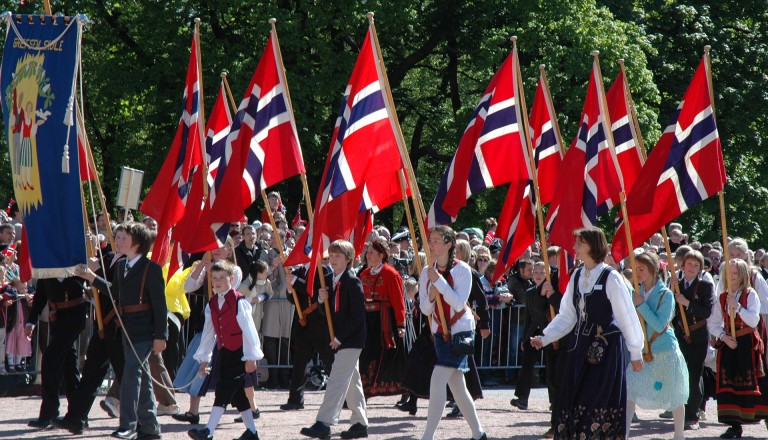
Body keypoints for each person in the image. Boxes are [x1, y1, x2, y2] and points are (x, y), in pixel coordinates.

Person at [531, 227, 644, 440]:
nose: (574, 247)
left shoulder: (611, 278)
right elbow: (567, 316)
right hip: (579, 349)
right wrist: (545, 337)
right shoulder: (576, 275)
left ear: (593, 245)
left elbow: (626, 317)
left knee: (597, 403)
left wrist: (636, 353)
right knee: (575, 402)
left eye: (579, 243)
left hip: (606, 351)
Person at [78, 221, 168, 440]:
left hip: (145, 331)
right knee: (142, 379)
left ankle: (128, 424)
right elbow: (114, 292)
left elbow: (160, 305)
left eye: (123, 238)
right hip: (126, 328)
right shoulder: (120, 266)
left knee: (130, 374)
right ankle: (150, 427)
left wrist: (160, 336)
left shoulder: (151, 268)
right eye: (117, 237)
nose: (117, 241)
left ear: (137, 243)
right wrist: (92, 278)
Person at [419, 225, 486, 440]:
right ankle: (478, 433)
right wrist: (430, 296)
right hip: (440, 331)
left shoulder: (463, 270)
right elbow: (424, 309)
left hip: (459, 331)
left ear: (449, 244)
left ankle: (427, 436)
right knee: (457, 386)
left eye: (437, 240)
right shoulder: (425, 271)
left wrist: (439, 282)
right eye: (430, 240)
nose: (432, 244)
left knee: (438, 379)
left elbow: (458, 304)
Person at [300, 240, 369, 439]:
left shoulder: (352, 280)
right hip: (342, 338)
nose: (333, 259)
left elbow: (357, 317)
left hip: (351, 339)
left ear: (348, 259)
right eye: (331, 256)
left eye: (338, 256)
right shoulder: (332, 280)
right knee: (352, 382)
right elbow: (328, 313)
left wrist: (339, 337)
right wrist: (321, 300)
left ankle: (324, 422)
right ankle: (360, 423)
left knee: (337, 380)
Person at [187, 261, 263, 440]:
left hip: (240, 353)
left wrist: (251, 357)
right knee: (237, 394)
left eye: (222, 278)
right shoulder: (212, 303)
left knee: (223, 389)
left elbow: (250, 331)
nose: (218, 281)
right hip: (224, 352)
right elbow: (208, 333)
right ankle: (252, 432)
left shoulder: (239, 302)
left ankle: (208, 431)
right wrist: (204, 358)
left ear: (231, 279)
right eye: (214, 278)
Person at [626, 252, 689, 440]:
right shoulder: (635, 291)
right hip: (641, 349)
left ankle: (679, 435)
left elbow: (660, 324)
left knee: (675, 392)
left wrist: (640, 305)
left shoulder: (666, 294)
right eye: (636, 269)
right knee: (630, 389)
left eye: (641, 269)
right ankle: (625, 433)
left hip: (665, 349)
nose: (637, 273)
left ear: (653, 270)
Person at [707, 258, 768, 439]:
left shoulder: (750, 295)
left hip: (747, 344)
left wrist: (738, 307)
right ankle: (734, 425)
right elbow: (714, 323)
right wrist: (723, 337)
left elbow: (754, 320)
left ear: (742, 275)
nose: (731, 277)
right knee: (729, 383)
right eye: (728, 273)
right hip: (729, 344)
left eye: (735, 273)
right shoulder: (723, 297)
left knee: (756, 381)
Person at [25, 275, 88, 429]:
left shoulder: (73, 263)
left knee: (49, 360)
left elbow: (77, 287)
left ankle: (49, 414)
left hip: (74, 316)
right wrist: (31, 321)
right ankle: (78, 414)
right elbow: (40, 296)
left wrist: (63, 275)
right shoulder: (46, 266)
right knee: (69, 366)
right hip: (57, 318)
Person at [280, 263, 334, 410]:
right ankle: (295, 399)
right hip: (303, 323)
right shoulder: (297, 272)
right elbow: (293, 300)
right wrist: (290, 290)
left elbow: (314, 290)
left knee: (330, 361)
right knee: (299, 363)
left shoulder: (323, 270)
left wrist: (295, 281)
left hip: (320, 322)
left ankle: (347, 397)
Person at [358, 237, 406, 398]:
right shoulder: (363, 274)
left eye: (372, 252)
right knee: (366, 354)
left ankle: (404, 390)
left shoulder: (391, 274)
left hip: (385, 322)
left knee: (388, 355)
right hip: (367, 319)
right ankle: (364, 389)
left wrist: (400, 324)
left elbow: (398, 300)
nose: (368, 255)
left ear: (382, 255)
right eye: (367, 252)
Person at [672, 250, 714, 431]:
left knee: (694, 374)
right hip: (681, 335)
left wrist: (687, 302)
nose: (692, 268)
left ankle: (693, 414)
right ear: (683, 265)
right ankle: (679, 410)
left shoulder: (704, 285)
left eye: (696, 265)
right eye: (689, 264)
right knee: (681, 374)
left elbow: (706, 312)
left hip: (697, 336)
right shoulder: (676, 283)